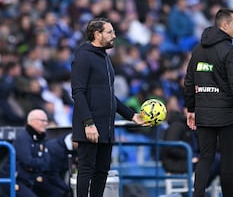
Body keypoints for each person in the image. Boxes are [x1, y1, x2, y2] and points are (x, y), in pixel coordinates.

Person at [184, 8, 233, 197]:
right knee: (228, 161)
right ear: (224, 25)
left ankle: (197, 195)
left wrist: (191, 108)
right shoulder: (230, 52)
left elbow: (189, 81)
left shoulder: (198, 49)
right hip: (227, 115)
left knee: (205, 158)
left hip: (204, 113)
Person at [70, 17, 146, 197]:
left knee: (102, 170)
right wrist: (88, 123)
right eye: (110, 32)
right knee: (86, 169)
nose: (114, 36)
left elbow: (109, 97)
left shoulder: (105, 58)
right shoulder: (83, 56)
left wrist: (132, 115)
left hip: (106, 126)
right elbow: (78, 92)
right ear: (97, 34)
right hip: (90, 126)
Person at [0, 109, 52, 197]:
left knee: (56, 190)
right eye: (42, 120)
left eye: (46, 121)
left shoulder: (41, 137)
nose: (45, 123)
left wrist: (38, 163)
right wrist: (40, 162)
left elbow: (47, 161)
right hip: (15, 179)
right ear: (32, 121)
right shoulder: (23, 137)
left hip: (30, 178)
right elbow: (28, 161)